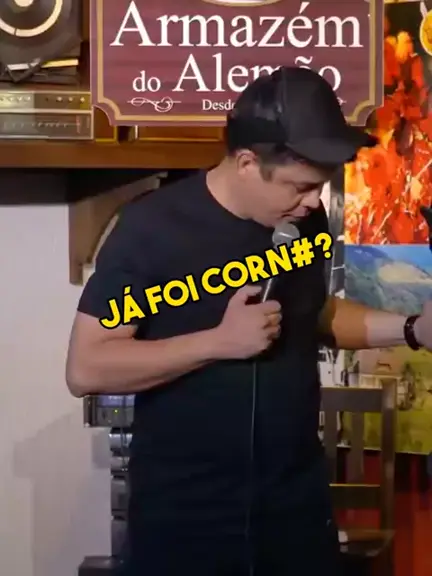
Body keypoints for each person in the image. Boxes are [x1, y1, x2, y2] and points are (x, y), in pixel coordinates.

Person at [66, 67, 432, 576]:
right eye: (300, 186)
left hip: (297, 515)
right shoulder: (152, 229)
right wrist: (217, 342)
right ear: (246, 163)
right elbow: (87, 366)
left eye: (319, 187)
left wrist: (412, 329)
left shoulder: (303, 222)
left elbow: (313, 313)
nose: (313, 202)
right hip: (187, 523)